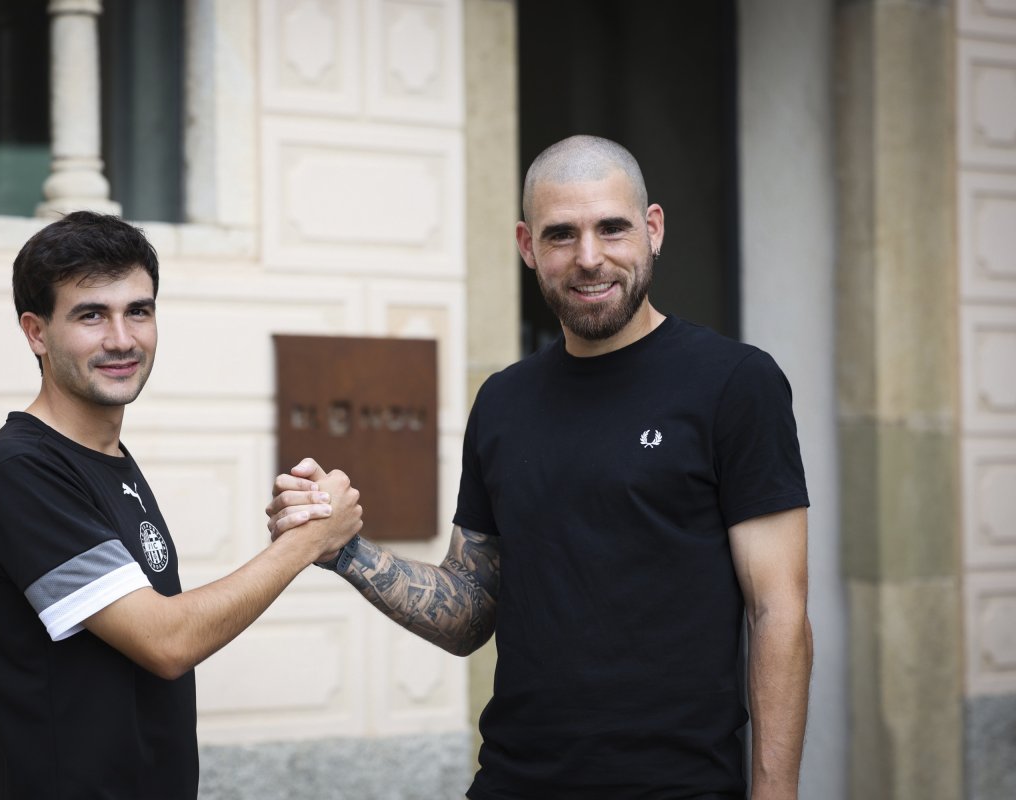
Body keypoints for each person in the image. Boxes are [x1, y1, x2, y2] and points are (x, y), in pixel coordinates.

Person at [268, 135, 813, 799]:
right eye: (562, 235)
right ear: (528, 246)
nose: (590, 258)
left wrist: (775, 792)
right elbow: (470, 610)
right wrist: (346, 551)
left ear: (653, 229)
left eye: (611, 228)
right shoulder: (504, 402)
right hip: (513, 783)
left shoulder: (734, 383)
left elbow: (777, 611)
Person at [0, 211, 362, 799]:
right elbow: (166, 642)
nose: (122, 338)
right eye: (91, 314)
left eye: (138, 311)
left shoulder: (106, 457)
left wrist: (297, 529)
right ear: (36, 332)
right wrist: (305, 542)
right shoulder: (21, 472)